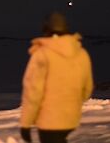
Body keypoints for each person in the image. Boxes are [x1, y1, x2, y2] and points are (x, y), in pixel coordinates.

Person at [19, 12, 94, 143]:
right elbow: (87, 89)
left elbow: (33, 92)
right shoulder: (82, 53)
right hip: (71, 120)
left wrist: (25, 124)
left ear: (45, 29)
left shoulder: (42, 54)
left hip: (49, 122)